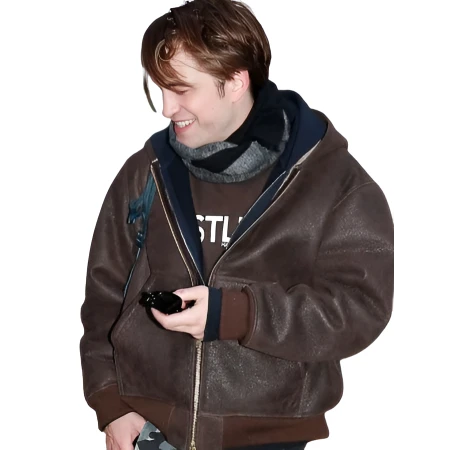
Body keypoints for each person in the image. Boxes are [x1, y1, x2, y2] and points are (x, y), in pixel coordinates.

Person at [79, 1, 394, 449]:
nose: (166, 108)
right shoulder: (146, 171)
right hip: (147, 429)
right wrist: (110, 404)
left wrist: (239, 315)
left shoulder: (333, 180)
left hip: (271, 434)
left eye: (181, 89)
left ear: (234, 82)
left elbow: (362, 307)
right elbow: (103, 294)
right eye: (159, 88)